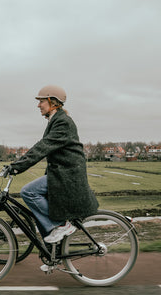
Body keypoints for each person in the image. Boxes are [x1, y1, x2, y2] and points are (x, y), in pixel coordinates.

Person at [7, 85, 99, 264]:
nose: (38, 105)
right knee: (38, 207)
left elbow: (43, 147)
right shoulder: (55, 120)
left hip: (68, 176)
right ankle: (53, 250)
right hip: (62, 173)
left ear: (52, 102)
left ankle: (62, 226)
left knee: (28, 192)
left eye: (41, 101)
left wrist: (17, 167)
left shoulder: (62, 122)